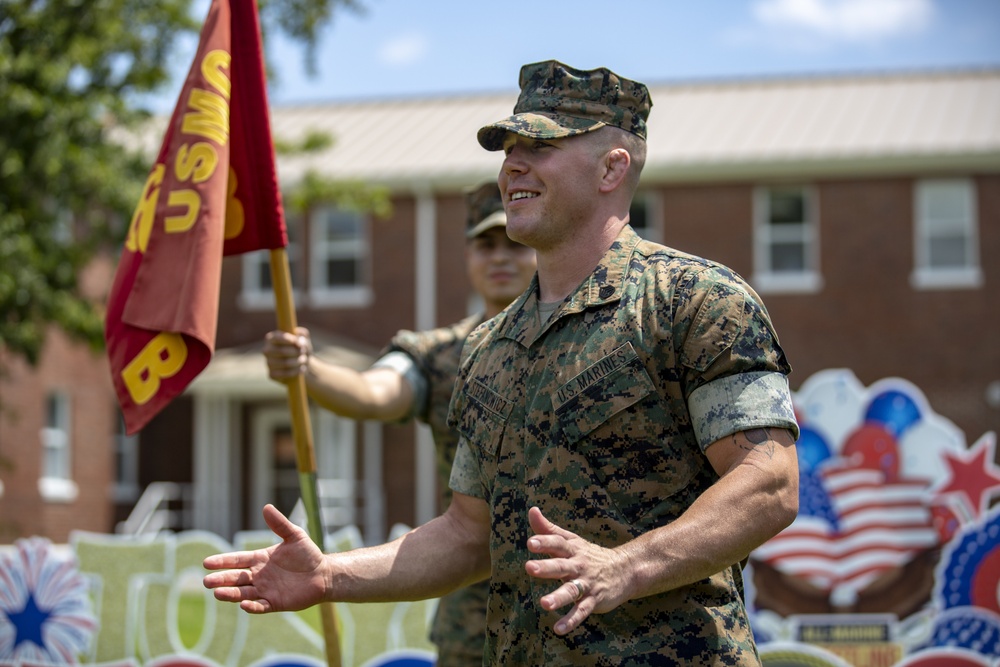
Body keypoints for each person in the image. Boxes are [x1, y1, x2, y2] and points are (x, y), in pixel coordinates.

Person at [205, 60, 800, 666]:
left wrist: (625, 567)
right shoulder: (489, 347)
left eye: (540, 146)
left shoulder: (695, 302)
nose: (511, 165)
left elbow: (770, 483)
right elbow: (467, 537)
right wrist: (331, 575)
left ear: (611, 167)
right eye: (509, 149)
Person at [260, 182, 536, 665]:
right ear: (468, 255)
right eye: (485, 245)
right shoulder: (439, 354)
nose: (500, 258)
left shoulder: (583, 343)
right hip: (475, 615)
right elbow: (374, 394)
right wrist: (309, 368)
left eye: (515, 246)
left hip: (576, 608)